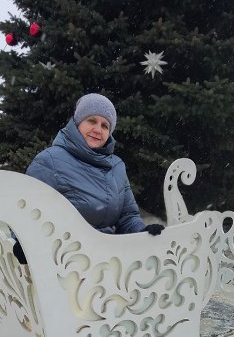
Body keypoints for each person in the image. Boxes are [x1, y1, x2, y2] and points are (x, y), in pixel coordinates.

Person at [13, 93, 164, 264]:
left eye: (105, 126)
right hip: (67, 263)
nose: (98, 130)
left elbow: (127, 215)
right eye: (92, 121)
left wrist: (142, 231)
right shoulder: (50, 161)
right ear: (77, 123)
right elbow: (25, 210)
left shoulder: (117, 166)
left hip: (111, 261)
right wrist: (23, 242)